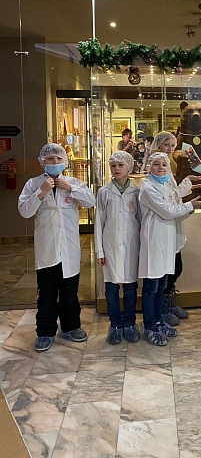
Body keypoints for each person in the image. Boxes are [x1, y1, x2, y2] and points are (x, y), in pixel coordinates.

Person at [18, 143, 95, 352]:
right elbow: (24, 211)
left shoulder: (73, 182)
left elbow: (90, 201)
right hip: (47, 249)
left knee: (70, 293)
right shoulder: (34, 184)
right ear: (42, 161)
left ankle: (71, 326)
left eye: (58, 158)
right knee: (47, 294)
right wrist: (41, 192)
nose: (54, 162)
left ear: (65, 161)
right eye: (50, 158)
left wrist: (69, 188)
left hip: (68, 247)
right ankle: (45, 332)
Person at [138, 152, 201, 345]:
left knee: (162, 286)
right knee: (151, 288)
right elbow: (168, 211)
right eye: (156, 164)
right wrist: (190, 204)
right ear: (149, 166)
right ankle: (149, 326)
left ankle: (158, 321)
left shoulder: (166, 182)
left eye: (164, 164)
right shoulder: (147, 187)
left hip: (167, 241)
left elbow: (174, 200)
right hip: (154, 242)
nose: (160, 167)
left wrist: (189, 199)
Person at [149, 131, 201, 323]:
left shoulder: (169, 166)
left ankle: (168, 301)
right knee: (167, 270)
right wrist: (189, 205)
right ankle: (162, 308)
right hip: (162, 227)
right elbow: (166, 205)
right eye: (166, 145)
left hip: (172, 224)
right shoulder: (155, 174)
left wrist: (187, 183)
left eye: (173, 145)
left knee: (175, 268)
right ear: (158, 146)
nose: (170, 149)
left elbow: (171, 194)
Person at [94, 151, 141, 345]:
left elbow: (140, 221)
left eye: (121, 165)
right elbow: (99, 222)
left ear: (129, 167)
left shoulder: (137, 192)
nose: (116, 169)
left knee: (130, 287)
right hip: (110, 246)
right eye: (113, 165)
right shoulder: (104, 192)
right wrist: (100, 250)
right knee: (111, 288)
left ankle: (129, 323)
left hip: (131, 246)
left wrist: (142, 249)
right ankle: (115, 324)